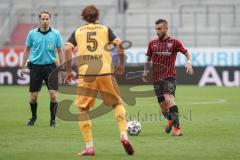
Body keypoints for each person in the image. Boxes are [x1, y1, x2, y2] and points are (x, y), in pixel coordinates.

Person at [64, 5, 134, 156]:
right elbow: (120, 45)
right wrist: (121, 65)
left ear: (84, 17)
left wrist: (69, 71)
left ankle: (89, 146)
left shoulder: (77, 32)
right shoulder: (105, 29)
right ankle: (123, 135)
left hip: (86, 74)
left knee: (83, 110)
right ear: (97, 16)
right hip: (105, 72)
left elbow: (67, 49)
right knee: (117, 104)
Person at [142, 19, 193, 136]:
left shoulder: (175, 42)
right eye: (156, 29)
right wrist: (145, 71)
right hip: (156, 79)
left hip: (169, 76)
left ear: (166, 28)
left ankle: (177, 129)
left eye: (159, 29)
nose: (157, 31)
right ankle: (171, 119)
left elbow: (186, 53)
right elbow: (148, 58)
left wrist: (189, 62)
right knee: (163, 109)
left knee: (168, 99)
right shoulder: (152, 43)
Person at [20, 11, 64, 127]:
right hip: (36, 67)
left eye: (47, 19)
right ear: (39, 20)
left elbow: (60, 50)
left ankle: (53, 120)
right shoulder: (32, 34)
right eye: (43, 19)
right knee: (33, 97)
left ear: (50, 20)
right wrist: (22, 65)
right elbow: (27, 49)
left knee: (53, 95)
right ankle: (33, 117)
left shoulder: (55, 34)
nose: (45, 21)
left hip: (51, 67)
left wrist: (63, 67)